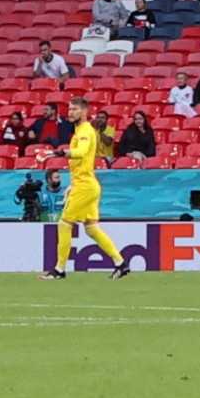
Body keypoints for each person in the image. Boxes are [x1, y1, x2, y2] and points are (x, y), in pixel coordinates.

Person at [40, 95, 130, 280]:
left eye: (74, 109)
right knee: (91, 228)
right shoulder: (81, 130)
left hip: (85, 186)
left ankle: (59, 269)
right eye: (69, 109)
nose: (70, 112)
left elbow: (80, 153)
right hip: (86, 184)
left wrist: (62, 152)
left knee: (64, 224)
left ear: (84, 111)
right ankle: (120, 263)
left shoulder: (85, 131)